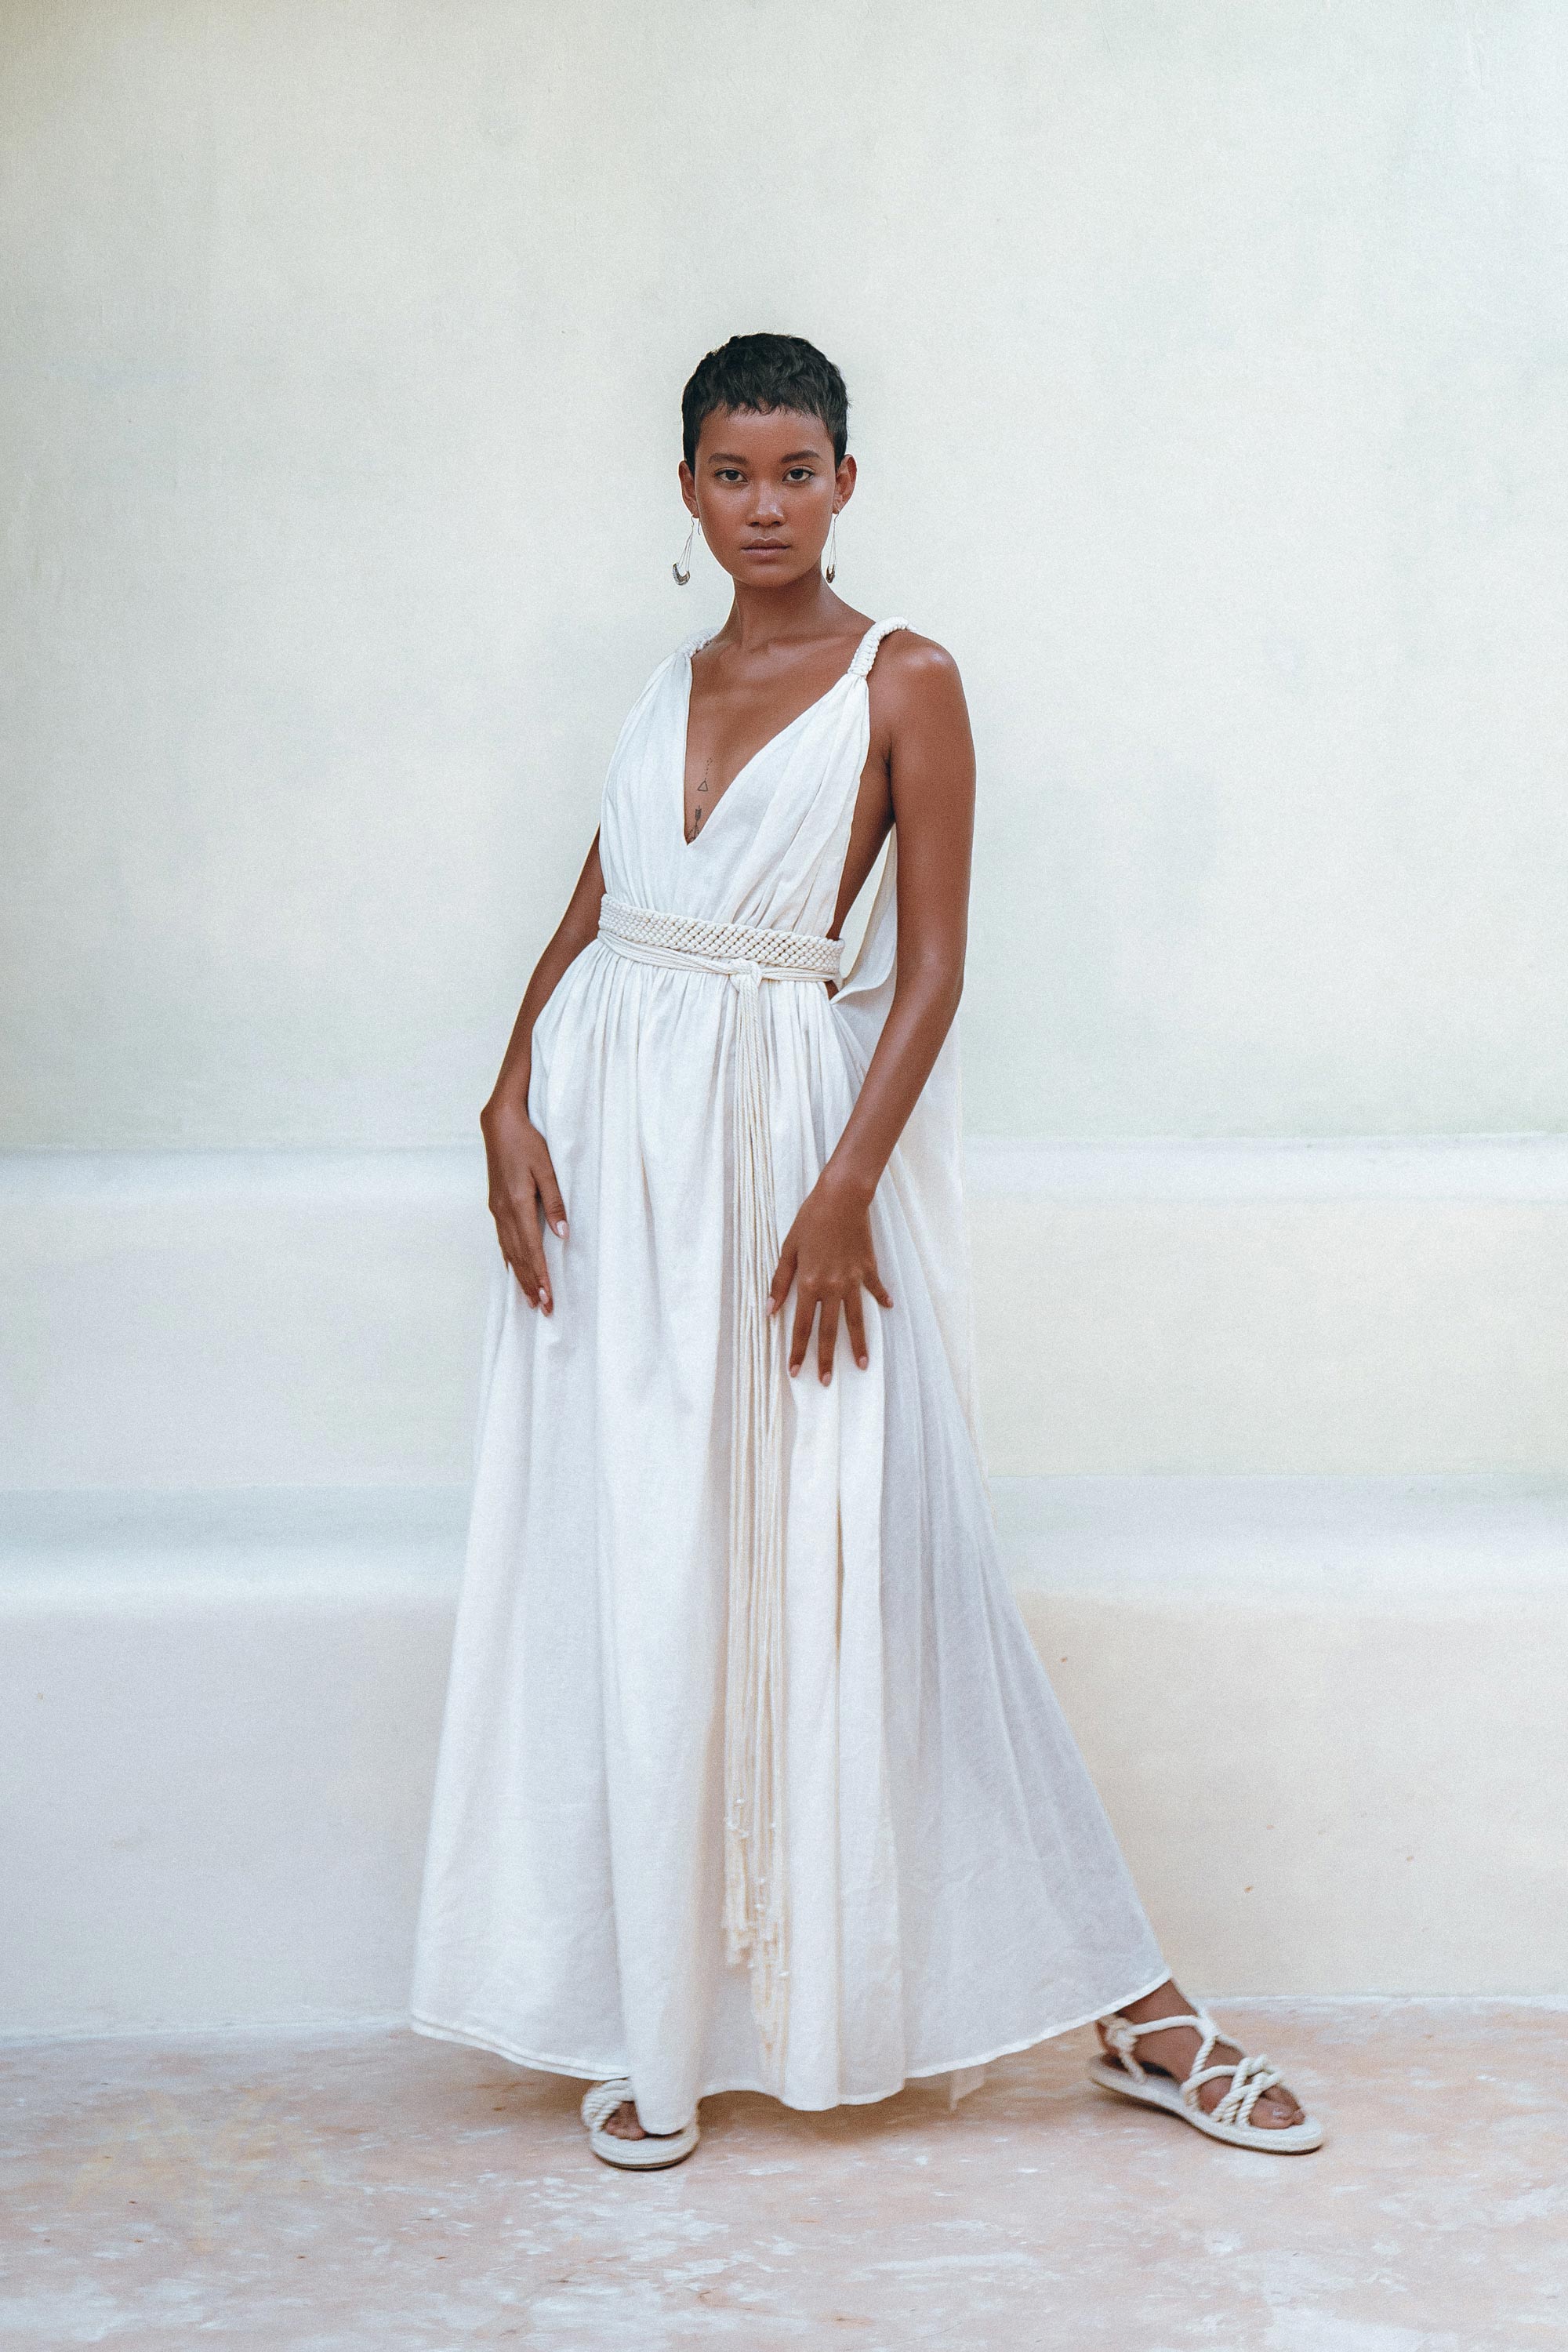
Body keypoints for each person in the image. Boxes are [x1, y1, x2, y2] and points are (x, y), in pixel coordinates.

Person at [408, 332, 1322, 2165]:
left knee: (889, 1563)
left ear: (846, 483)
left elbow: (940, 962)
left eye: (799, 471)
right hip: (618, 1176)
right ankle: (663, 2011)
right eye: (732, 474)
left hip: (780, 1161)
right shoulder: (662, 686)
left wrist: (841, 1188)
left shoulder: (906, 679)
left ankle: (1139, 2012)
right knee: (658, 1562)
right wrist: (508, 1091)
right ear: (683, 490)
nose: (766, 505)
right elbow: (602, 905)